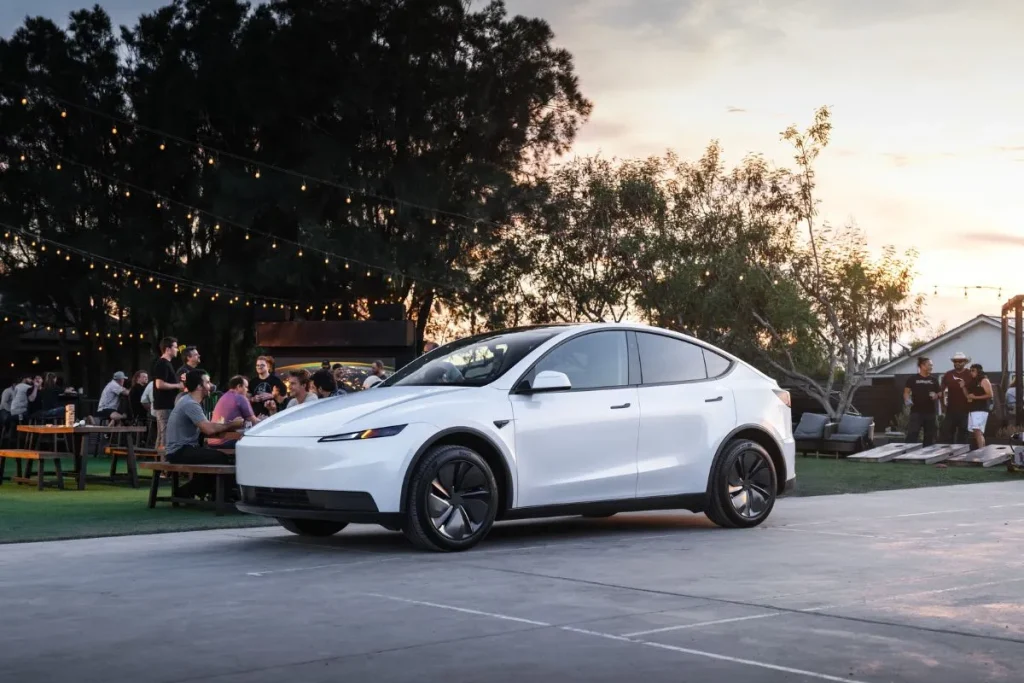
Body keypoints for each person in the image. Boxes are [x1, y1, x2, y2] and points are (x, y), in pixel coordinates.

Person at [207, 375, 261, 447]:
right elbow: (254, 422)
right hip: (225, 441)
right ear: (239, 386)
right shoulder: (240, 398)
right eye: (246, 387)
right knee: (259, 443)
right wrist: (264, 421)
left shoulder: (224, 396)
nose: (247, 390)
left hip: (212, 440)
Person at [151, 337, 182, 448]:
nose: (177, 350)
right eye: (175, 347)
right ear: (168, 349)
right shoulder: (162, 364)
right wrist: (177, 385)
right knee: (165, 434)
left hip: (166, 405)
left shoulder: (166, 364)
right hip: (164, 405)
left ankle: (158, 458)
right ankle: (163, 457)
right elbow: (159, 384)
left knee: (162, 435)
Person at [904, 356, 940, 446]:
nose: (931, 367)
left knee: (930, 436)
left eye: (932, 365)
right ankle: (909, 452)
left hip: (930, 413)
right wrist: (907, 400)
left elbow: (940, 393)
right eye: (929, 365)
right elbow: (906, 392)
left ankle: (928, 453)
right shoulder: (912, 379)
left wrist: (936, 395)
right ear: (922, 366)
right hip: (916, 412)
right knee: (912, 435)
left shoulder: (934, 380)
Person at [940, 352, 972, 444]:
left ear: (965, 362)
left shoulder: (970, 374)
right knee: (947, 434)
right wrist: (942, 406)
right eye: (955, 361)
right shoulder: (948, 374)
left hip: (966, 410)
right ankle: (948, 452)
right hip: (951, 410)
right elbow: (941, 390)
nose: (957, 363)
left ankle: (962, 452)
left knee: (963, 435)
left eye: (960, 361)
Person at [963, 363, 994, 450]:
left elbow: (990, 394)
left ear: (978, 371)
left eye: (973, 370)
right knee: (977, 431)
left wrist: (975, 397)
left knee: (977, 430)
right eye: (970, 371)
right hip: (973, 409)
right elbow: (968, 396)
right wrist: (963, 387)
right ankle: (982, 449)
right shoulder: (972, 382)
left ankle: (981, 450)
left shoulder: (984, 380)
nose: (971, 372)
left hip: (981, 409)